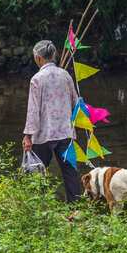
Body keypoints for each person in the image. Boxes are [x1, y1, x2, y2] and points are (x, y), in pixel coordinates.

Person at [22, 40, 81, 204]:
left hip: (44, 135)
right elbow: (76, 103)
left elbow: (33, 111)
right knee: (70, 172)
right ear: (54, 55)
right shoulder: (66, 75)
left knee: (38, 172)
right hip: (65, 133)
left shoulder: (37, 79)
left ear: (37, 58)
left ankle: (39, 209)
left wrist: (28, 136)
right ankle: (75, 210)